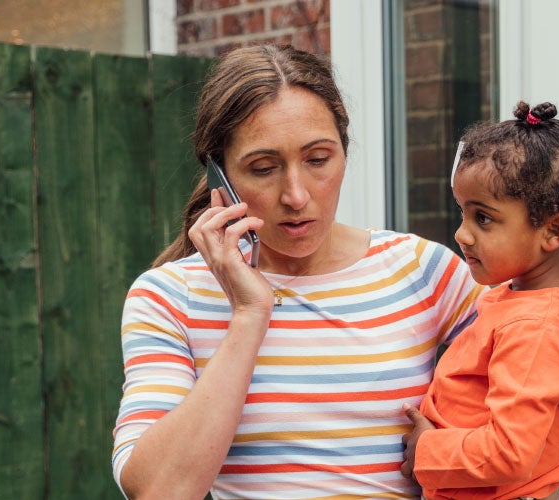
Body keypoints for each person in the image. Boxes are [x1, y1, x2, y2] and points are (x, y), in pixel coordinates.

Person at [111, 44, 486, 499]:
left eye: (317, 160)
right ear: (219, 177)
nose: (296, 195)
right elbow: (157, 491)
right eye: (264, 168)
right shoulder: (169, 297)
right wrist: (250, 314)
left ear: (344, 153)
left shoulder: (421, 270)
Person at [400, 101, 559, 500]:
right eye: (462, 213)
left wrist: (426, 451)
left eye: (484, 218)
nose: (462, 234)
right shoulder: (527, 301)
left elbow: (510, 452)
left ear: (553, 231)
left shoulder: (537, 327)